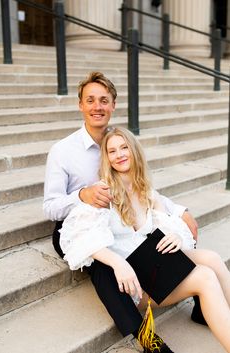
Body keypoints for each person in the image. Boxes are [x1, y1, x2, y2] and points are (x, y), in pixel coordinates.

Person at [43, 71, 199, 352]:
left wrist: (179, 212)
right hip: (78, 225)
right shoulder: (62, 150)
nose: (97, 106)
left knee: (178, 230)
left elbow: (140, 186)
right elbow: (50, 207)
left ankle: (201, 300)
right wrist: (82, 195)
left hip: (120, 218)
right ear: (80, 105)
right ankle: (149, 341)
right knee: (104, 262)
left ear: (113, 105)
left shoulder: (119, 142)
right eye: (90, 100)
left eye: (104, 100)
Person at [59, 127, 230, 353]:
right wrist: (117, 263)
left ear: (133, 150)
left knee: (212, 258)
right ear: (107, 158)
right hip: (136, 283)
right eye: (112, 151)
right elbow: (77, 236)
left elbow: (169, 224)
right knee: (205, 277)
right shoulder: (104, 191)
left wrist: (177, 236)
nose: (119, 154)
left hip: (154, 264)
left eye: (124, 147)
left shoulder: (145, 188)